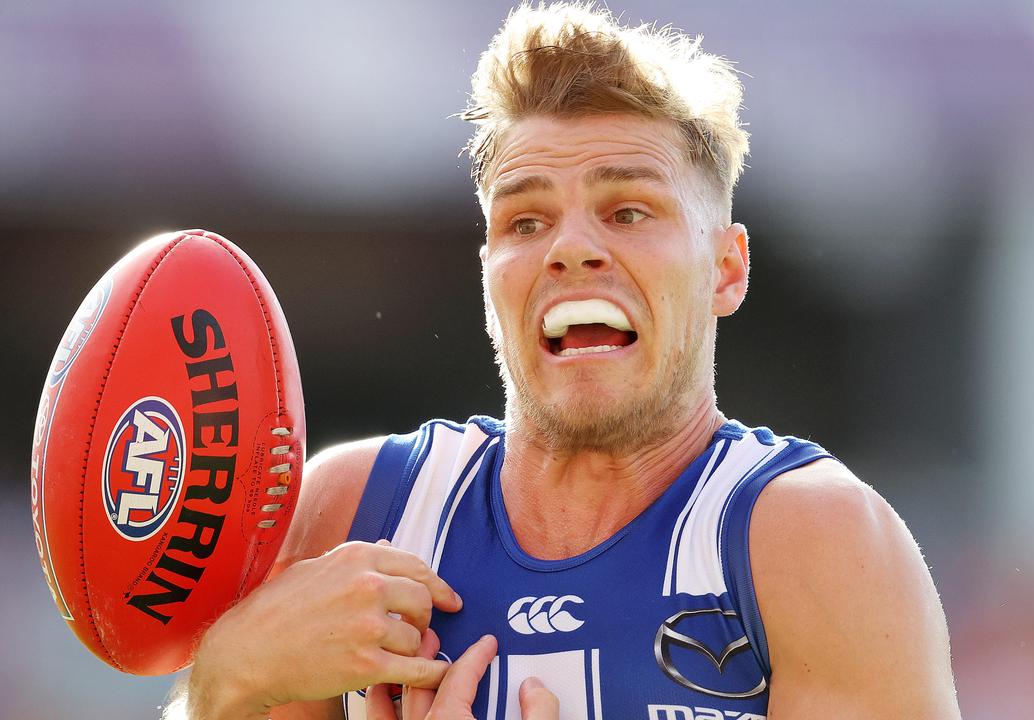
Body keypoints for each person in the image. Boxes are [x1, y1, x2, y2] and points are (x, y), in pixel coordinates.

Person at [170, 3, 961, 718]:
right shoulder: (350, 514)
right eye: (525, 221)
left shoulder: (816, 541)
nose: (571, 248)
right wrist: (222, 683)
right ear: (488, 275)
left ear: (726, 268)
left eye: (628, 210)